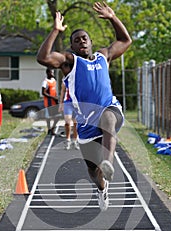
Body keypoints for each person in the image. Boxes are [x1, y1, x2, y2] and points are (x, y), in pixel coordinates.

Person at [37, 1, 132, 211]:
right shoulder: (69, 62)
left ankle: (109, 163)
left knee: (108, 118)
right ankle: (101, 187)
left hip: (110, 109)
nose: (82, 42)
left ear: (90, 42)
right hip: (86, 123)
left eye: (84, 39)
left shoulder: (103, 56)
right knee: (92, 169)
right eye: (77, 40)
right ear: (72, 46)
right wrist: (55, 30)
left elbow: (125, 40)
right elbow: (43, 57)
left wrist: (113, 17)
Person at [58, 81, 79, 150]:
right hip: (68, 102)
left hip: (76, 102)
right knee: (67, 122)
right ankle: (68, 139)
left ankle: (75, 140)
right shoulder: (66, 78)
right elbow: (63, 91)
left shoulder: (79, 76)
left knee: (76, 122)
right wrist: (61, 104)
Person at [41, 68, 60, 135]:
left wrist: (56, 97)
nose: (52, 74)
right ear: (47, 73)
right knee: (48, 117)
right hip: (48, 102)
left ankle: (52, 128)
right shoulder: (45, 82)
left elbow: (54, 91)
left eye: (53, 72)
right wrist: (52, 97)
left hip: (54, 102)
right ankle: (49, 129)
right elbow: (43, 92)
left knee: (58, 116)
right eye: (51, 72)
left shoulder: (54, 80)